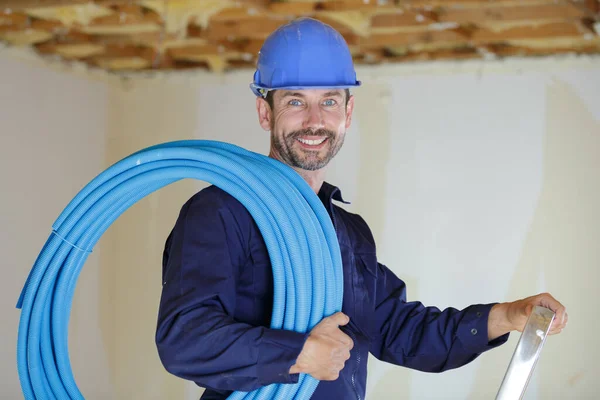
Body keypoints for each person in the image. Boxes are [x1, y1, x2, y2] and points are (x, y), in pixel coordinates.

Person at [155, 18, 567, 400]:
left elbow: (398, 330)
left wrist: (507, 316)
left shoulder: (346, 232)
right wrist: (297, 354)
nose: (315, 121)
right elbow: (185, 338)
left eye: (330, 101)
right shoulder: (222, 212)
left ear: (347, 113)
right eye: (296, 102)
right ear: (266, 112)